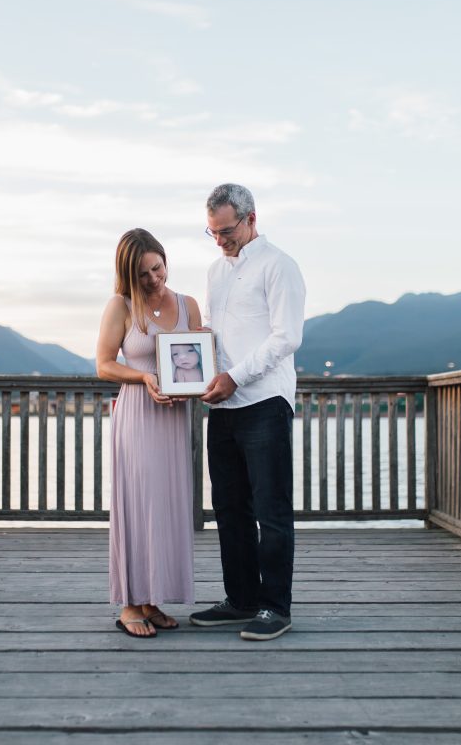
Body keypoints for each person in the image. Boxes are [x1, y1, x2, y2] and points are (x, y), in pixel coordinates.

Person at [189, 183, 306, 641]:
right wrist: (197, 365)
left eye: (226, 230)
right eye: (212, 232)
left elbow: (286, 338)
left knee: (271, 510)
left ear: (251, 218)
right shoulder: (216, 272)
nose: (220, 240)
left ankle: (275, 607)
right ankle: (240, 600)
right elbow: (216, 335)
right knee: (229, 507)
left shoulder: (280, 266)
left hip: (265, 402)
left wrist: (235, 376)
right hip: (223, 404)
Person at [96, 228, 202, 638]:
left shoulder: (188, 305)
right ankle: (129, 605)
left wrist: (196, 381)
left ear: (165, 260)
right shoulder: (120, 306)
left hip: (174, 420)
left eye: (156, 268)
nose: (153, 279)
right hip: (139, 414)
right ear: (128, 275)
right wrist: (144, 377)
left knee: (165, 507)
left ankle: (152, 599)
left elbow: (198, 359)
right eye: (142, 274)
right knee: (137, 505)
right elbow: (104, 365)